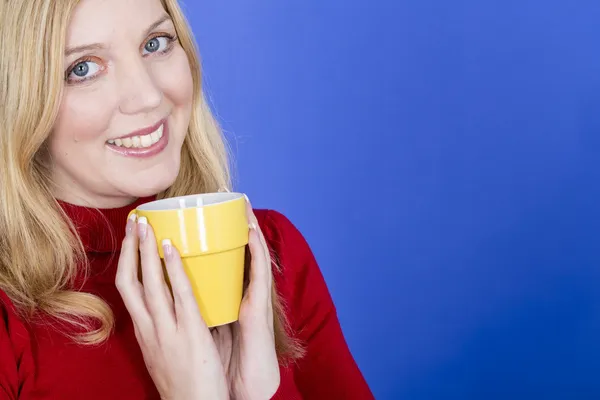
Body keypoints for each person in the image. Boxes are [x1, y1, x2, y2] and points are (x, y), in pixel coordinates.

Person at [0, 0, 374, 399]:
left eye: (156, 43)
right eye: (83, 68)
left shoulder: (270, 253)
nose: (147, 96)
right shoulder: (10, 314)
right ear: (18, 100)